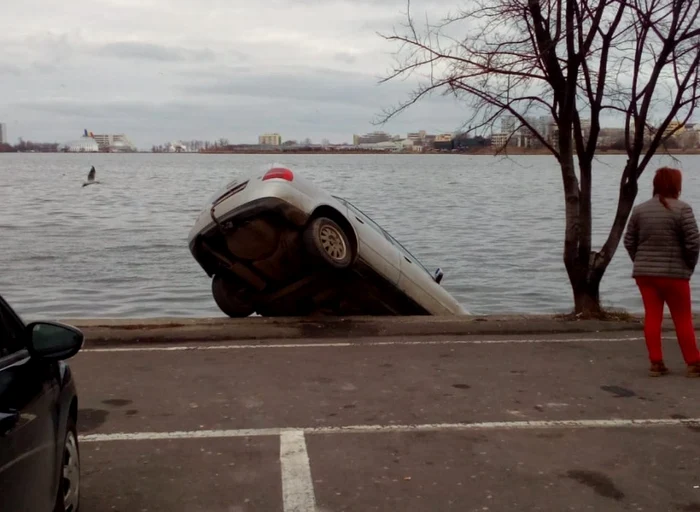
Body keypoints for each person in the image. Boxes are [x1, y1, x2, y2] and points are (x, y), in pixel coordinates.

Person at [624, 166, 700, 377]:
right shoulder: (682, 209)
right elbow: (693, 243)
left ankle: (656, 362)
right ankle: (693, 362)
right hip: (675, 274)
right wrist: (688, 266)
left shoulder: (640, 210)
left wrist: (640, 261)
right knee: (682, 318)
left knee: (652, 316)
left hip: (645, 275)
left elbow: (629, 240)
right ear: (676, 186)